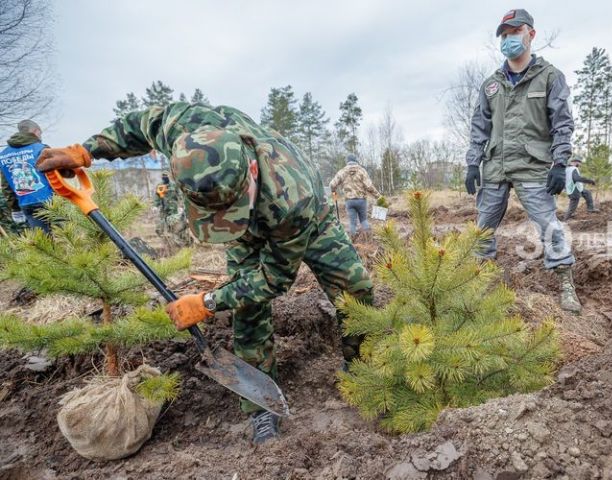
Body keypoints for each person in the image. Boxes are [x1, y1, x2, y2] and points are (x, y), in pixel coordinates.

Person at [35, 102, 373, 445]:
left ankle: (360, 370)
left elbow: (275, 278)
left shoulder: (292, 198)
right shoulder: (185, 132)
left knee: (355, 286)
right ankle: (260, 407)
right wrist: (88, 150)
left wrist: (208, 301)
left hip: (306, 220)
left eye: (231, 209)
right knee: (248, 310)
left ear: (252, 170)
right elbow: (139, 125)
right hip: (251, 227)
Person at [464, 8, 581, 313]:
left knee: (549, 225)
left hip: (533, 166)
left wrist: (559, 163)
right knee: (483, 228)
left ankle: (565, 282)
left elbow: (562, 124)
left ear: (531, 34)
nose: (508, 39)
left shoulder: (550, 77)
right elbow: (480, 128)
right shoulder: (491, 84)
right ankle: (480, 282)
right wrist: (472, 163)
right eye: (504, 35)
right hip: (494, 167)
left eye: (514, 32)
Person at [0, 120, 53, 233]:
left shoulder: (3, 155)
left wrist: (15, 208)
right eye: (40, 134)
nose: (40, 137)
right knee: (66, 238)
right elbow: (55, 175)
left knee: (44, 242)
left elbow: (6, 185)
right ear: (35, 131)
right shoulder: (41, 149)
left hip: (26, 203)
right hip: (50, 201)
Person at [329, 154, 381, 240]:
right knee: (363, 220)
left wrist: (334, 194)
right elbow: (369, 186)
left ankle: (353, 241)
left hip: (349, 201)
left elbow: (332, 185)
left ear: (347, 161)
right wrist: (378, 196)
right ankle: (368, 240)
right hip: (361, 200)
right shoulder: (362, 171)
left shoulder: (342, 171)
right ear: (355, 160)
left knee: (352, 223)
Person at [153, 170, 191, 248]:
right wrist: (155, 206)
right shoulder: (159, 186)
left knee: (176, 225)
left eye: (166, 176)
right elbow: (157, 197)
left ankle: (180, 242)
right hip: (164, 209)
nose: (165, 178)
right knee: (163, 226)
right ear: (161, 177)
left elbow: (180, 195)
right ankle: (168, 243)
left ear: (169, 176)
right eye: (163, 176)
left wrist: (181, 206)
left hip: (174, 209)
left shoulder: (174, 185)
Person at [563, 155, 597, 220]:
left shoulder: (567, 169)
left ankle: (590, 209)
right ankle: (566, 219)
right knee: (573, 205)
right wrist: (589, 181)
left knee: (587, 193)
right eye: (579, 163)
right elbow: (577, 178)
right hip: (573, 190)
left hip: (576, 188)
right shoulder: (573, 169)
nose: (580, 164)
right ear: (576, 162)